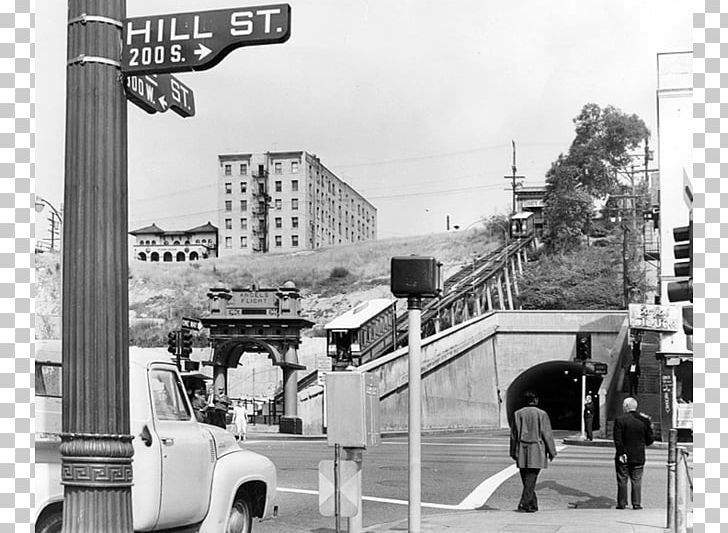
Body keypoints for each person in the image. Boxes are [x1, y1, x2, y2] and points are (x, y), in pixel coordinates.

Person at [509, 391, 558, 513]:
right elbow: (547, 434)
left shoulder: (517, 414)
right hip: (537, 449)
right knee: (531, 479)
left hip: (522, 449)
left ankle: (532, 505)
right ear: (535, 400)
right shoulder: (542, 414)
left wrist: (513, 451)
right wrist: (552, 451)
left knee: (527, 479)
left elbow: (513, 436)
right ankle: (524, 504)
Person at [613, 397, 654, 510]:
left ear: (626, 407)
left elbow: (618, 440)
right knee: (637, 480)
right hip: (638, 455)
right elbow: (650, 441)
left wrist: (621, 453)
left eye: (623, 405)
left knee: (622, 479)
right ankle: (636, 503)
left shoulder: (620, 420)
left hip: (624, 455)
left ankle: (622, 503)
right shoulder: (644, 420)